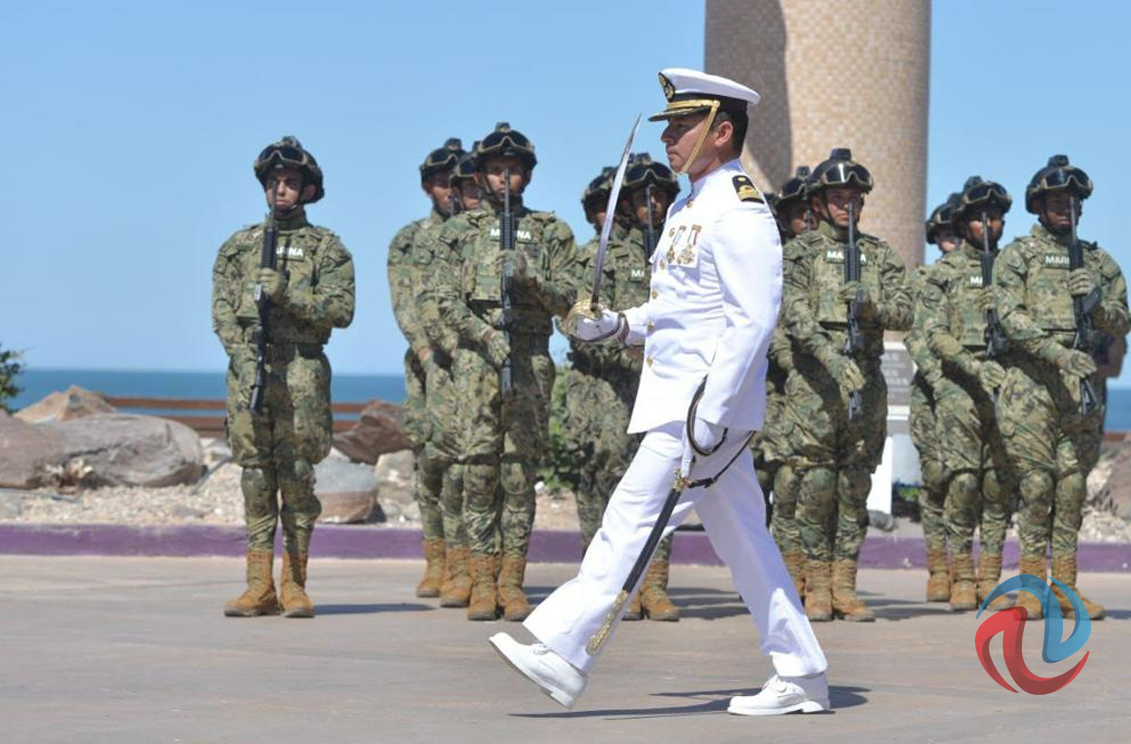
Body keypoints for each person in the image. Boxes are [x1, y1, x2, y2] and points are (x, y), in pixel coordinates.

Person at [488, 68, 828, 716]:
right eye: (669, 124)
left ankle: (564, 652)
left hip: (701, 409)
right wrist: (616, 325)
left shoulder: (738, 209)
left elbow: (753, 319)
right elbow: (674, 310)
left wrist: (714, 410)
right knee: (743, 541)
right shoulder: (685, 206)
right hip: (680, 400)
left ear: (721, 131)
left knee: (629, 520)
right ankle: (803, 671)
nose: (669, 136)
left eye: (682, 124)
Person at [432, 124, 579, 621]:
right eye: (495, 170)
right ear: (481, 175)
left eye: (513, 171)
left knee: (519, 475)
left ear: (528, 176)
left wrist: (531, 277)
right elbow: (444, 300)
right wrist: (485, 335)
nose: (504, 179)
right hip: (477, 361)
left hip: (532, 357)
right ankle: (479, 580)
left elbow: (573, 301)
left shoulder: (551, 231)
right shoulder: (459, 232)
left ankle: (512, 582)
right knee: (478, 471)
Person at [212, 136, 355, 618]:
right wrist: (241, 355)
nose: (281, 190)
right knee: (255, 476)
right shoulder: (239, 247)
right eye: (274, 182)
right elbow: (222, 312)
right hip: (251, 370)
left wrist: (290, 294)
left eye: (292, 183)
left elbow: (342, 310)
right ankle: (258, 584)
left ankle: (294, 582)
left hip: (302, 370)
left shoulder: (326, 248)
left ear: (309, 190)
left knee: (296, 476)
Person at [780, 148, 912, 622]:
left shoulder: (879, 255)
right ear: (818, 203)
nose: (846, 206)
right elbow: (792, 315)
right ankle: (815, 586)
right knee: (815, 485)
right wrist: (833, 360)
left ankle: (844, 584)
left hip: (866, 383)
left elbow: (907, 311)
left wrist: (872, 305)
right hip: (815, 386)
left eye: (854, 198)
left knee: (855, 486)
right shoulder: (799, 254)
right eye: (837, 197)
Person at [995, 155, 1128, 620]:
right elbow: (1009, 317)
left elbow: (1122, 317)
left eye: (1072, 201)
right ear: (1039, 205)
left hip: (1081, 392)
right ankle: (1032, 586)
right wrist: (1056, 354)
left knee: (1071, 488)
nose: (1065, 208)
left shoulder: (1097, 261)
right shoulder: (1018, 256)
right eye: (1055, 200)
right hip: (1030, 389)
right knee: (1036, 486)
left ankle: (1066, 587)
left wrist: (1096, 302)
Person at [919, 177, 1016, 612]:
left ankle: (991, 575)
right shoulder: (945, 273)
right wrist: (967, 368)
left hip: (1009, 384)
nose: (987, 224)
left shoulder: (1015, 268)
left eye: (994, 217)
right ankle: (958, 573)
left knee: (997, 483)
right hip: (959, 384)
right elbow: (931, 333)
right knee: (960, 481)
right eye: (978, 217)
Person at [387, 138, 466, 599]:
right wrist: (424, 351)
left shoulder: (475, 234)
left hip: (470, 363)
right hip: (427, 365)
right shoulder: (409, 239)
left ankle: (464, 563)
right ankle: (435, 558)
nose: (449, 191)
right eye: (440, 182)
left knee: (467, 464)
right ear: (427, 187)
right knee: (431, 460)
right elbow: (403, 299)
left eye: (457, 182)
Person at [757, 165, 815, 598]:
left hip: (809, 389)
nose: (808, 221)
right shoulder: (770, 258)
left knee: (796, 483)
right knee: (759, 483)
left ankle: (796, 578)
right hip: (766, 386)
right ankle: (761, 574)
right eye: (800, 213)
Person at [906, 194, 961, 602]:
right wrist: (938, 377)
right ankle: (938, 569)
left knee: (974, 483)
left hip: (977, 394)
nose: (952, 244)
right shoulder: (925, 280)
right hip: (934, 394)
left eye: (957, 235)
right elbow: (914, 334)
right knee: (938, 479)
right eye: (944, 237)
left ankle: (967, 571)